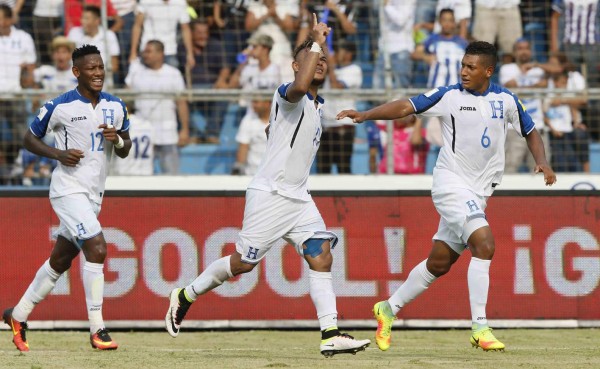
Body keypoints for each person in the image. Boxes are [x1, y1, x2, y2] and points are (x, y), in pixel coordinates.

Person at [165, 14, 371, 357]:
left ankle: (330, 332)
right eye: (310, 58)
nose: (318, 62)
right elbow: (299, 89)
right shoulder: (288, 93)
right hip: (272, 194)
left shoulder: (316, 107)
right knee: (243, 264)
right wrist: (316, 40)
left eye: (322, 59)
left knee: (321, 256)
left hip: (299, 198)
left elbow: (278, 133)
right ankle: (185, 295)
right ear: (294, 65)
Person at [337, 41, 557, 352]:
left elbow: (531, 131)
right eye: (463, 65)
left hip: (478, 193)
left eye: (471, 67)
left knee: (439, 263)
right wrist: (366, 114)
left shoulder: (506, 100)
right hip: (451, 184)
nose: (464, 71)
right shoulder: (448, 96)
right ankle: (480, 326)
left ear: (488, 71)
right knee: (484, 243)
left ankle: (388, 308)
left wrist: (542, 161)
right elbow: (406, 106)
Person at [2, 44, 131, 351]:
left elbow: (126, 149)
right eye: (91, 68)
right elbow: (28, 139)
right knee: (97, 248)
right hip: (66, 189)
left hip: (93, 195)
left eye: (100, 67)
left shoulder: (116, 106)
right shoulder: (59, 106)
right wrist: (58, 153)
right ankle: (98, 329)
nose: (98, 73)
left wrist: (119, 139)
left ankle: (17, 315)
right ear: (77, 72)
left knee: (60, 260)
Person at [126, 40, 190, 174]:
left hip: (167, 130)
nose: (145, 54)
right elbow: (126, 101)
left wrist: (184, 129)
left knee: (171, 174)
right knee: (140, 173)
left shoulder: (173, 73)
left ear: (160, 53)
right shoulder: (136, 72)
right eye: (144, 51)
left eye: (149, 51)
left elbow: (181, 103)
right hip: (141, 131)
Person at [499, 38, 549, 173]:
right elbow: (511, 86)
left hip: (538, 127)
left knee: (542, 170)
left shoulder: (538, 70)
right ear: (514, 52)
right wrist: (535, 86)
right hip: (514, 128)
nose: (524, 51)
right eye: (520, 48)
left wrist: (537, 66)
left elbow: (559, 69)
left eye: (527, 48)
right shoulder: (507, 68)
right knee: (509, 169)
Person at [318, 39, 362, 174]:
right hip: (326, 126)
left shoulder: (354, 70)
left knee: (343, 167)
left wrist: (330, 66)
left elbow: (336, 87)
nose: (334, 54)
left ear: (349, 54)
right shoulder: (330, 70)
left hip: (343, 126)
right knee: (323, 170)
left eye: (338, 51)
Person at [231, 96, 271, 175]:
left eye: (256, 102)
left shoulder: (279, 119)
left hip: (275, 175)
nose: (253, 105)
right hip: (253, 174)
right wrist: (238, 167)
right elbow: (243, 147)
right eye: (253, 102)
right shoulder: (247, 120)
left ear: (267, 103)